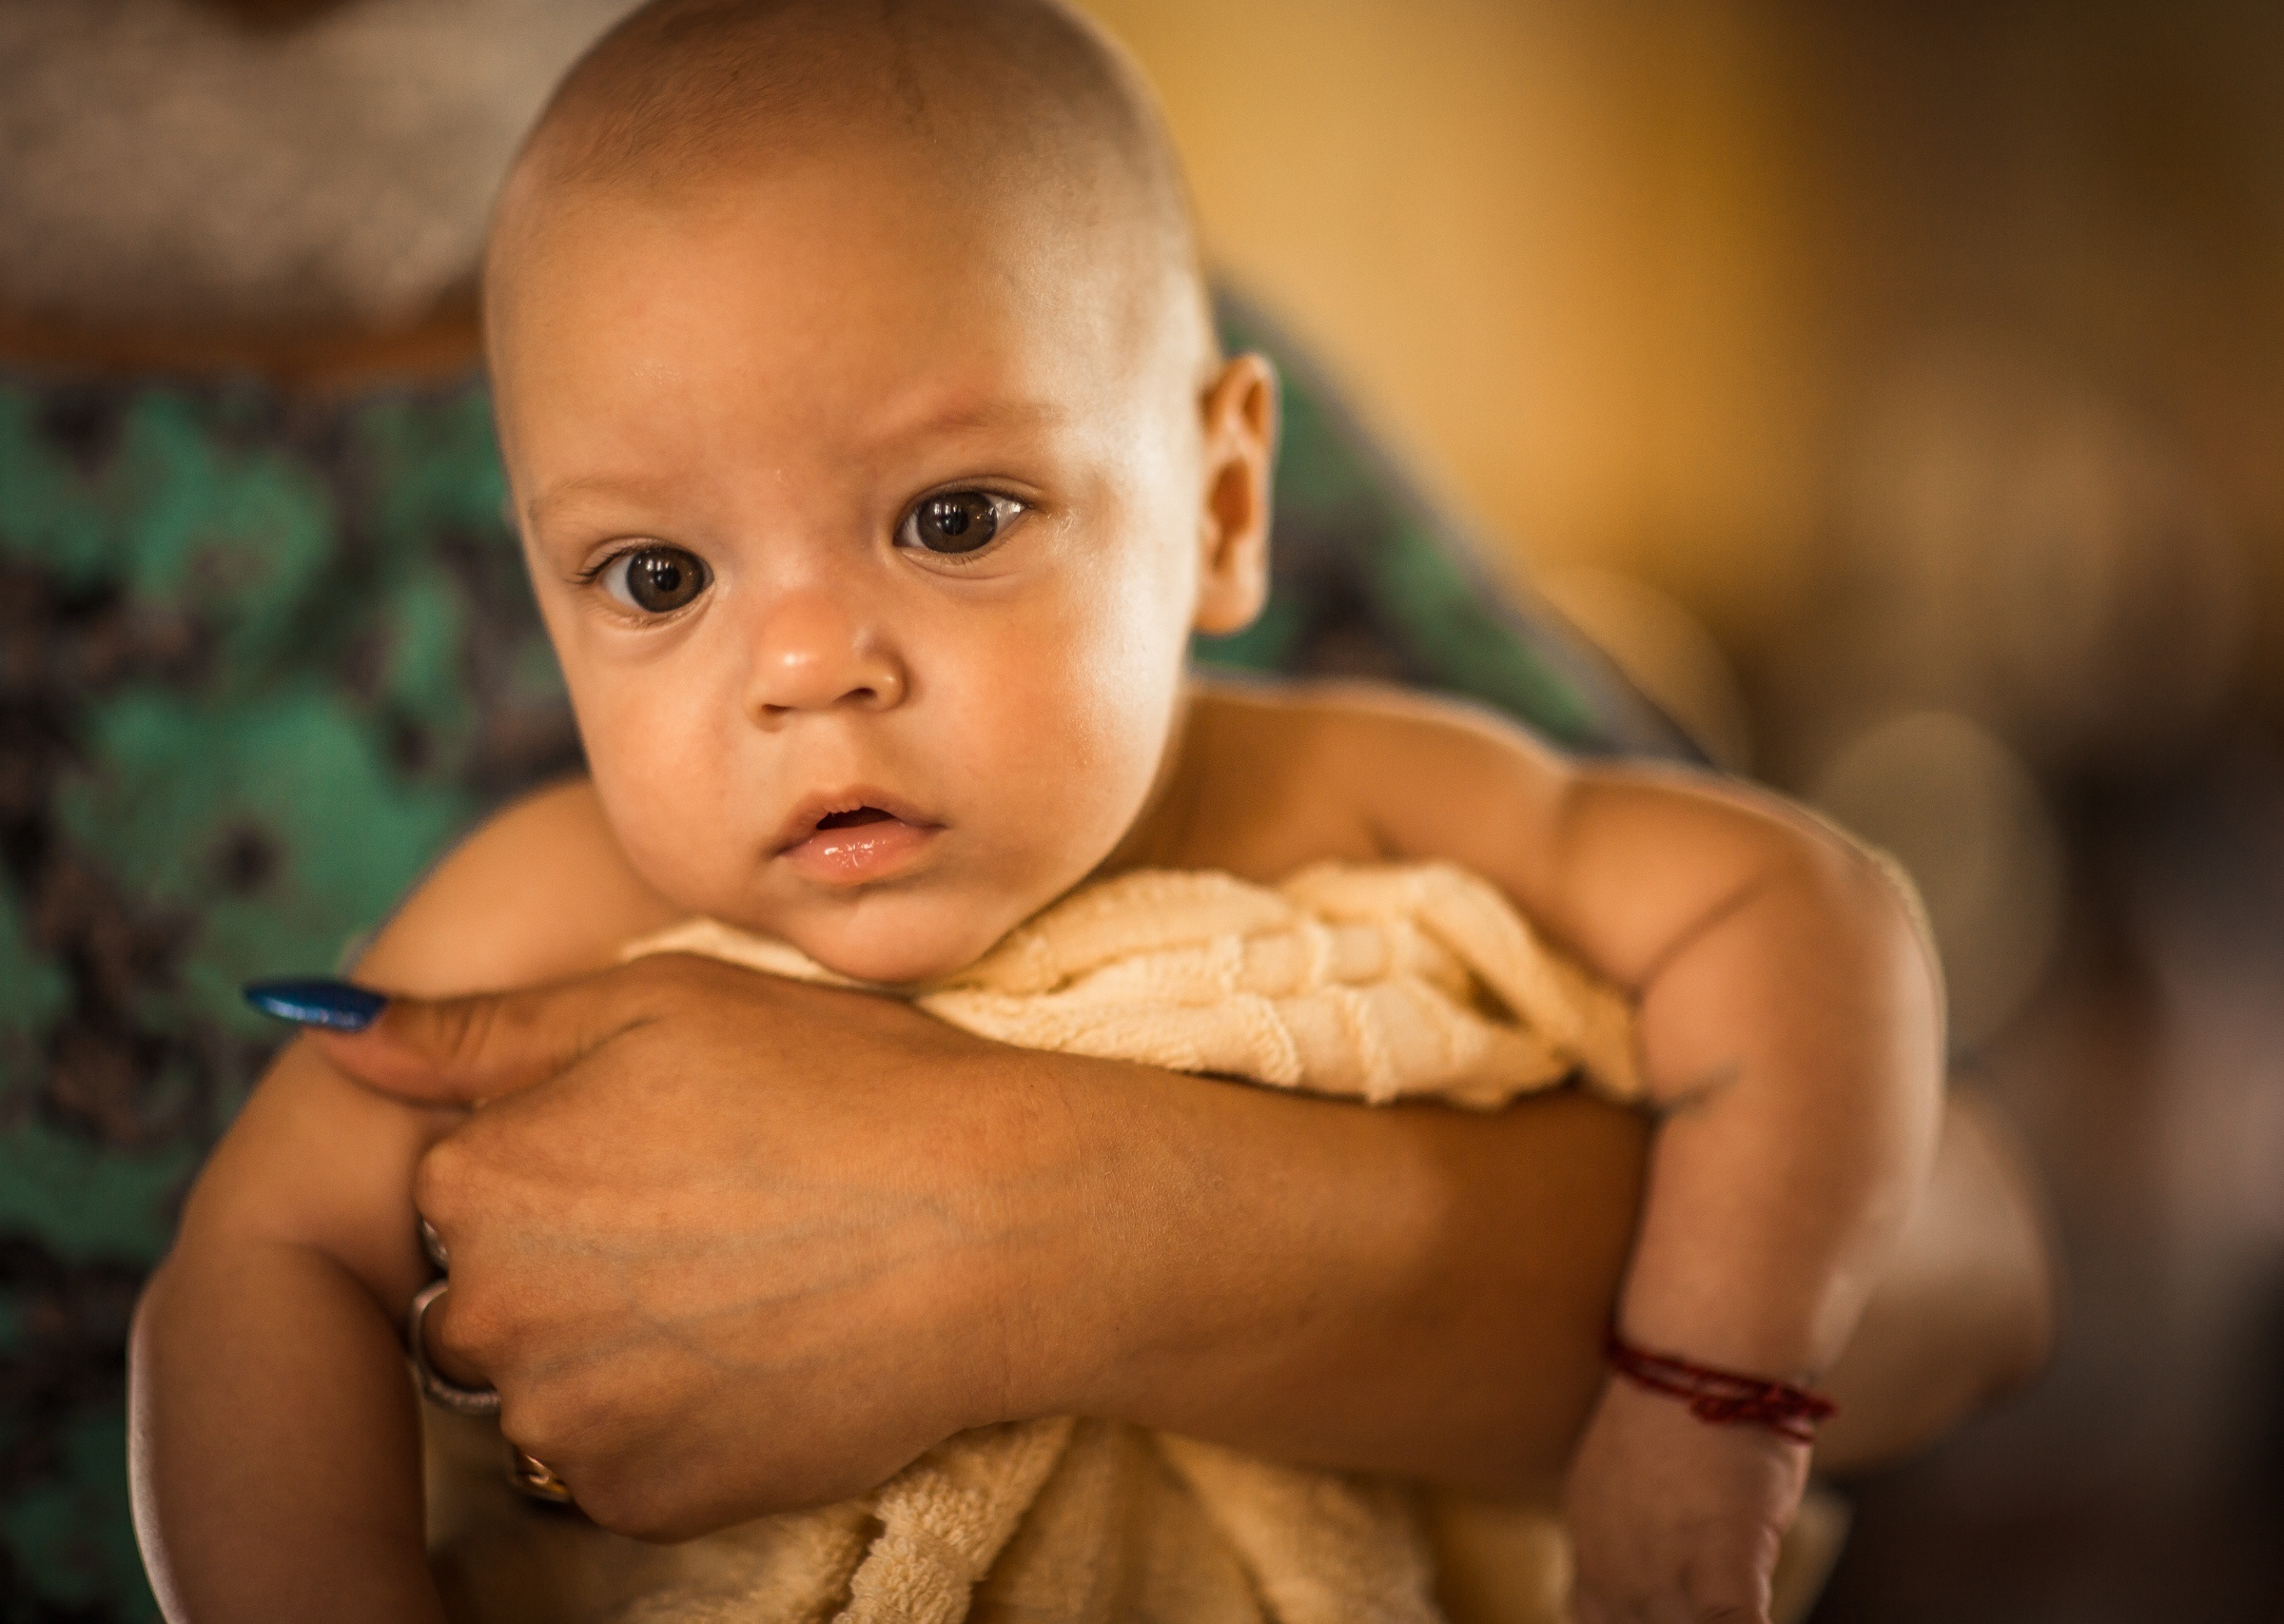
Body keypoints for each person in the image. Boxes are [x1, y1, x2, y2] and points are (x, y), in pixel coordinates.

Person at [126, 3, 2056, 1621]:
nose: (802, 667)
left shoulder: (1347, 787)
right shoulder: (541, 906)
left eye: (951, 517)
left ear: (1219, 507)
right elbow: (253, 1260)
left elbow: (1813, 917)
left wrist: (1697, 1405)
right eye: (652, 576)